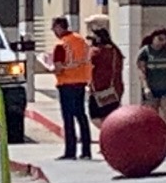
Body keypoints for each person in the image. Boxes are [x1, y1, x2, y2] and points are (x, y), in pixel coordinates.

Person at [43, 16, 93, 160]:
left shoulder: (60, 46)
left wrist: (48, 68)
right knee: (81, 117)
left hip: (66, 84)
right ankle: (86, 151)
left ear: (59, 27)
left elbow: (58, 69)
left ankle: (70, 152)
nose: (53, 31)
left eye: (54, 28)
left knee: (68, 118)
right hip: (81, 83)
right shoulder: (81, 41)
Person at [137, 28, 166, 154]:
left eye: (164, 39)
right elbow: (142, 71)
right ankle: (152, 146)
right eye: (159, 39)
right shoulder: (145, 52)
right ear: (153, 38)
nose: (161, 42)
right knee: (152, 119)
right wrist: (145, 87)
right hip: (152, 89)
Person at [86, 20, 125, 132]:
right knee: (110, 116)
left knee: (95, 116)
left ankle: (107, 136)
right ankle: (110, 137)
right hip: (115, 89)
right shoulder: (115, 51)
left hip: (99, 89)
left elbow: (90, 68)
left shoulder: (96, 52)